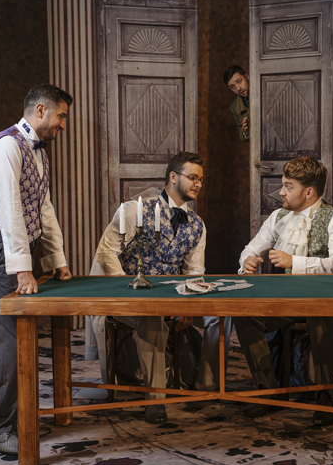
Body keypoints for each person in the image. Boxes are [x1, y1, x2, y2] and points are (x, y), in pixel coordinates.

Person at [88, 152, 229, 425]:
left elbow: (194, 271)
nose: (198, 184)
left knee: (219, 315)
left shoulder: (197, 225)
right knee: (152, 318)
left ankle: (206, 387)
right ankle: (155, 399)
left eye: (201, 180)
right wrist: (124, 290)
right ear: (173, 177)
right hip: (130, 297)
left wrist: (188, 305)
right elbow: (106, 253)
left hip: (174, 297)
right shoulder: (134, 210)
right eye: (193, 177)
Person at [0, 84, 73, 455]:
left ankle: (17, 419)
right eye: (61, 116)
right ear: (41, 110)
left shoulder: (38, 152)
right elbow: (10, 210)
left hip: (18, 250)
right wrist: (22, 269)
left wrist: (57, 259)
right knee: (7, 341)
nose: (63, 124)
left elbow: (43, 208)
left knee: (23, 338)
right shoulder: (6, 147)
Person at [233, 156, 333, 426]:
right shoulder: (278, 217)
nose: (281, 192)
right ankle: (267, 391)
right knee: (244, 315)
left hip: (325, 301)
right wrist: (247, 260)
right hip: (286, 301)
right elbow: (250, 248)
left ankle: (324, 397)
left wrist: (294, 262)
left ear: (308, 192)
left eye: (288, 187)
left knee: (320, 317)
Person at [224, 65, 250, 141]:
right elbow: (241, 132)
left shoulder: (264, 88)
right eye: (233, 87)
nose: (238, 88)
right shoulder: (234, 107)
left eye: (239, 81)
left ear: (247, 77)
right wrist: (245, 131)